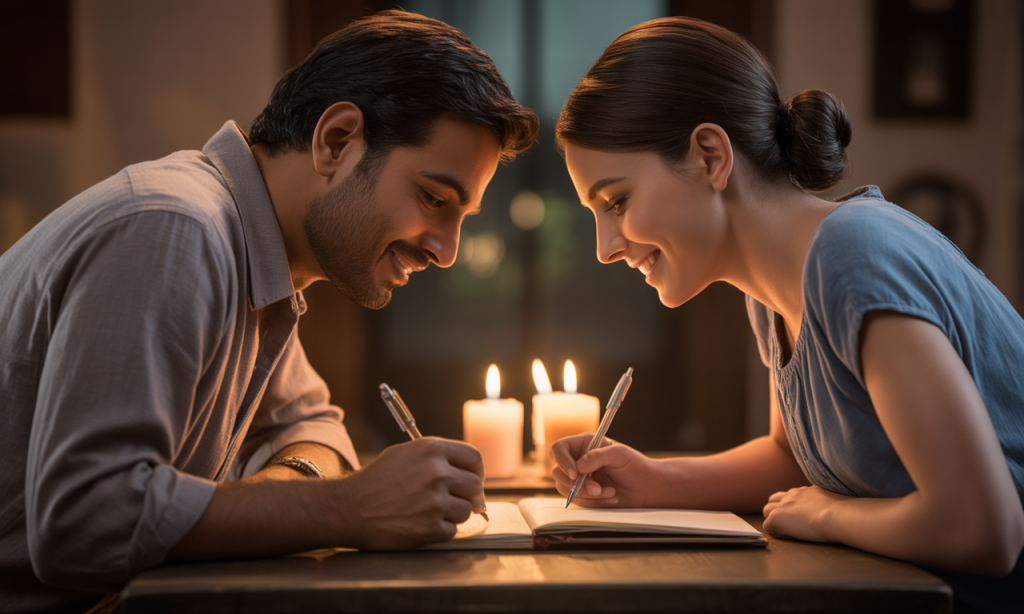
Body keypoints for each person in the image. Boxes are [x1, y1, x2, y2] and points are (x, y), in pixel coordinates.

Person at [0, 10, 538, 613]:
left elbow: (313, 425)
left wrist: (299, 486)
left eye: (459, 218)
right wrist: (346, 507)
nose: (446, 250)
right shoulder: (176, 230)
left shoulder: (260, 260)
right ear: (336, 140)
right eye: (433, 198)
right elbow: (85, 521)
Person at [550, 16, 1023, 613]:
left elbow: (983, 528)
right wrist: (656, 480)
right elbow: (794, 455)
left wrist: (830, 516)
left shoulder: (854, 257)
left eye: (617, 202)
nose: (605, 246)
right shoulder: (771, 291)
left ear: (709, 156)